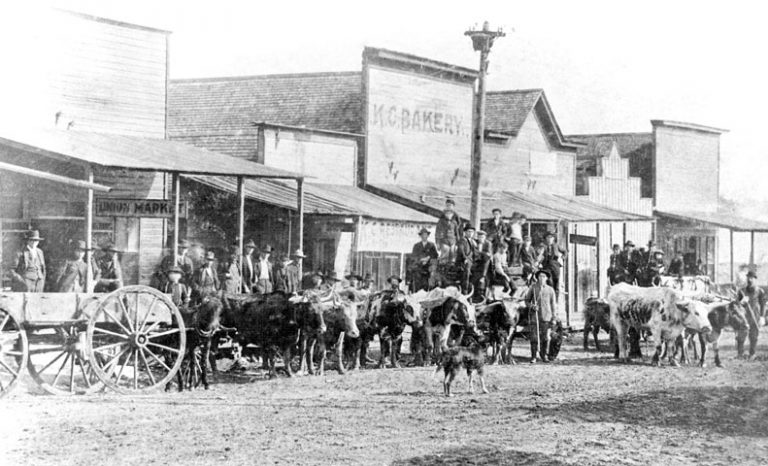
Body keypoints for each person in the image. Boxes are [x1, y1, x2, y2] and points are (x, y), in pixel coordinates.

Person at [525, 270, 557, 363]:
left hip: (546, 316)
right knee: (534, 337)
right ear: (537, 278)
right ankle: (533, 357)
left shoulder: (550, 289)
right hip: (535, 316)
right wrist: (532, 306)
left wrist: (554, 317)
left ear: (546, 278)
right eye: (540, 277)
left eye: (543, 277)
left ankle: (544, 356)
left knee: (545, 337)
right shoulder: (533, 288)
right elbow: (526, 301)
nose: (541, 278)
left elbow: (553, 304)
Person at [737, 270, 766, 360]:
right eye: (748, 278)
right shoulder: (742, 291)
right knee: (741, 336)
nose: (750, 280)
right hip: (744, 317)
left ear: (755, 279)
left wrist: (762, 317)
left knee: (754, 336)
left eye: (752, 278)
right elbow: (736, 304)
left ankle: (752, 354)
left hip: (755, 316)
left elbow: (763, 304)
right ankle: (740, 354)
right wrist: (741, 302)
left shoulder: (760, 291)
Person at [410, 228, 438, 292]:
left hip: (428, 268)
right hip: (419, 268)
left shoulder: (431, 245)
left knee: (427, 283)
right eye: (423, 235)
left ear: (428, 236)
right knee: (418, 284)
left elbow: (435, 256)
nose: (424, 236)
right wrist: (421, 260)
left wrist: (428, 258)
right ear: (420, 236)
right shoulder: (416, 246)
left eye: (425, 235)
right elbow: (413, 257)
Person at [540, 232, 566, 298]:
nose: (549, 239)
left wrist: (563, 258)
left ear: (553, 239)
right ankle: (550, 298)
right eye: (548, 238)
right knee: (549, 282)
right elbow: (539, 254)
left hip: (555, 265)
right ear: (545, 239)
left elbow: (565, 251)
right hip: (546, 266)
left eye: (551, 238)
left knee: (556, 282)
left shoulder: (556, 245)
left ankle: (555, 301)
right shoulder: (543, 246)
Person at [456, 224, 477, 294]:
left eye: (472, 232)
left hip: (471, 261)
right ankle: (465, 290)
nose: (470, 233)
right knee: (467, 270)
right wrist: (465, 258)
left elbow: (475, 253)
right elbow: (461, 251)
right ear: (465, 232)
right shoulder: (462, 240)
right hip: (462, 261)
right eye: (468, 231)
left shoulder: (473, 242)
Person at [472, 229, 493, 299]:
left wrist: (480, 253)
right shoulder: (475, 243)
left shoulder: (488, 243)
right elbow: (474, 253)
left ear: (485, 237)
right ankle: (475, 295)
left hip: (486, 265)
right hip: (477, 263)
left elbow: (488, 255)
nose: (480, 239)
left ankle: (482, 294)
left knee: (487, 259)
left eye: (482, 237)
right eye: (479, 237)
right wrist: (481, 254)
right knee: (474, 279)